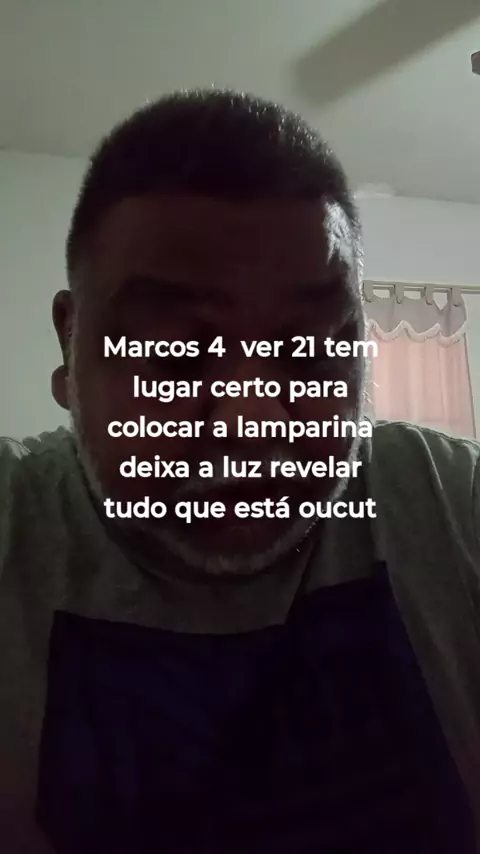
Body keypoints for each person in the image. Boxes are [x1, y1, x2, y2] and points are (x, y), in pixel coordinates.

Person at [0, 89, 479, 854]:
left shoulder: (451, 502)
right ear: (70, 344)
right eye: (175, 353)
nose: (250, 425)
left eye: (308, 349)